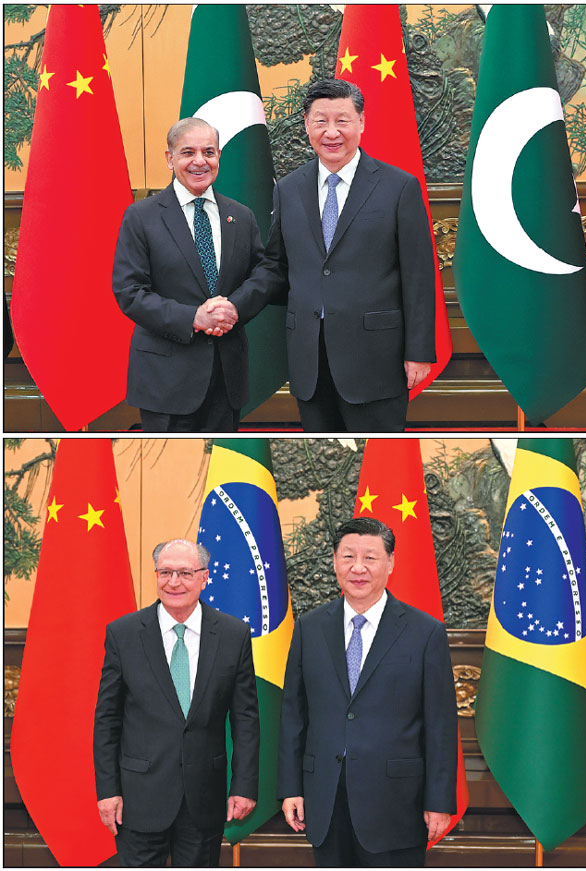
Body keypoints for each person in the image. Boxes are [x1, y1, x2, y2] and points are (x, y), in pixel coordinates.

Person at [219, 78, 437, 432]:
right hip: (310, 361)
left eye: (343, 121)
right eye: (321, 121)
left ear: (362, 123)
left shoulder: (399, 187)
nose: (331, 132)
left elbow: (418, 276)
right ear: (307, 125)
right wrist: (234, 306)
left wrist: (419, 351)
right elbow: (276, 267)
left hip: (376, 360)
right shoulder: (289, 189)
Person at [278, 517, 457, 867]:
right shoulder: (309, 628)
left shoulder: (424, 632)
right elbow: (293, 716)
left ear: (391, 563)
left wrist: (439, 800)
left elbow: (440, 724)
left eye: (370, 557)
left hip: (396, 804)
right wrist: (290, 787)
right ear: (334, 561)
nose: (358, 567)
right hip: (325, 798)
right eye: (348, 557)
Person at [93, 539, 259, 867]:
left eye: (184, 573)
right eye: (165, 572)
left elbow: (246, 719)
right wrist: (107, 790)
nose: (174, 582)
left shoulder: (232, 634)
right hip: (138, 799)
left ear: (204, 577)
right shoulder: (123, 634)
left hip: (204, 798)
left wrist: (244, 786)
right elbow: (107, 720)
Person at [112, 118, 263, 432]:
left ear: (219, 156)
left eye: (208, 152)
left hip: (227, 378)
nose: (199, 161)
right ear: (170, 158)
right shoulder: (141, 217)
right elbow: (130, 292)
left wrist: (234, 307)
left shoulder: (242, 216)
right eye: (188, 152)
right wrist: (194, 317)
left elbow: (262, 276)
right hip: (165, 380)